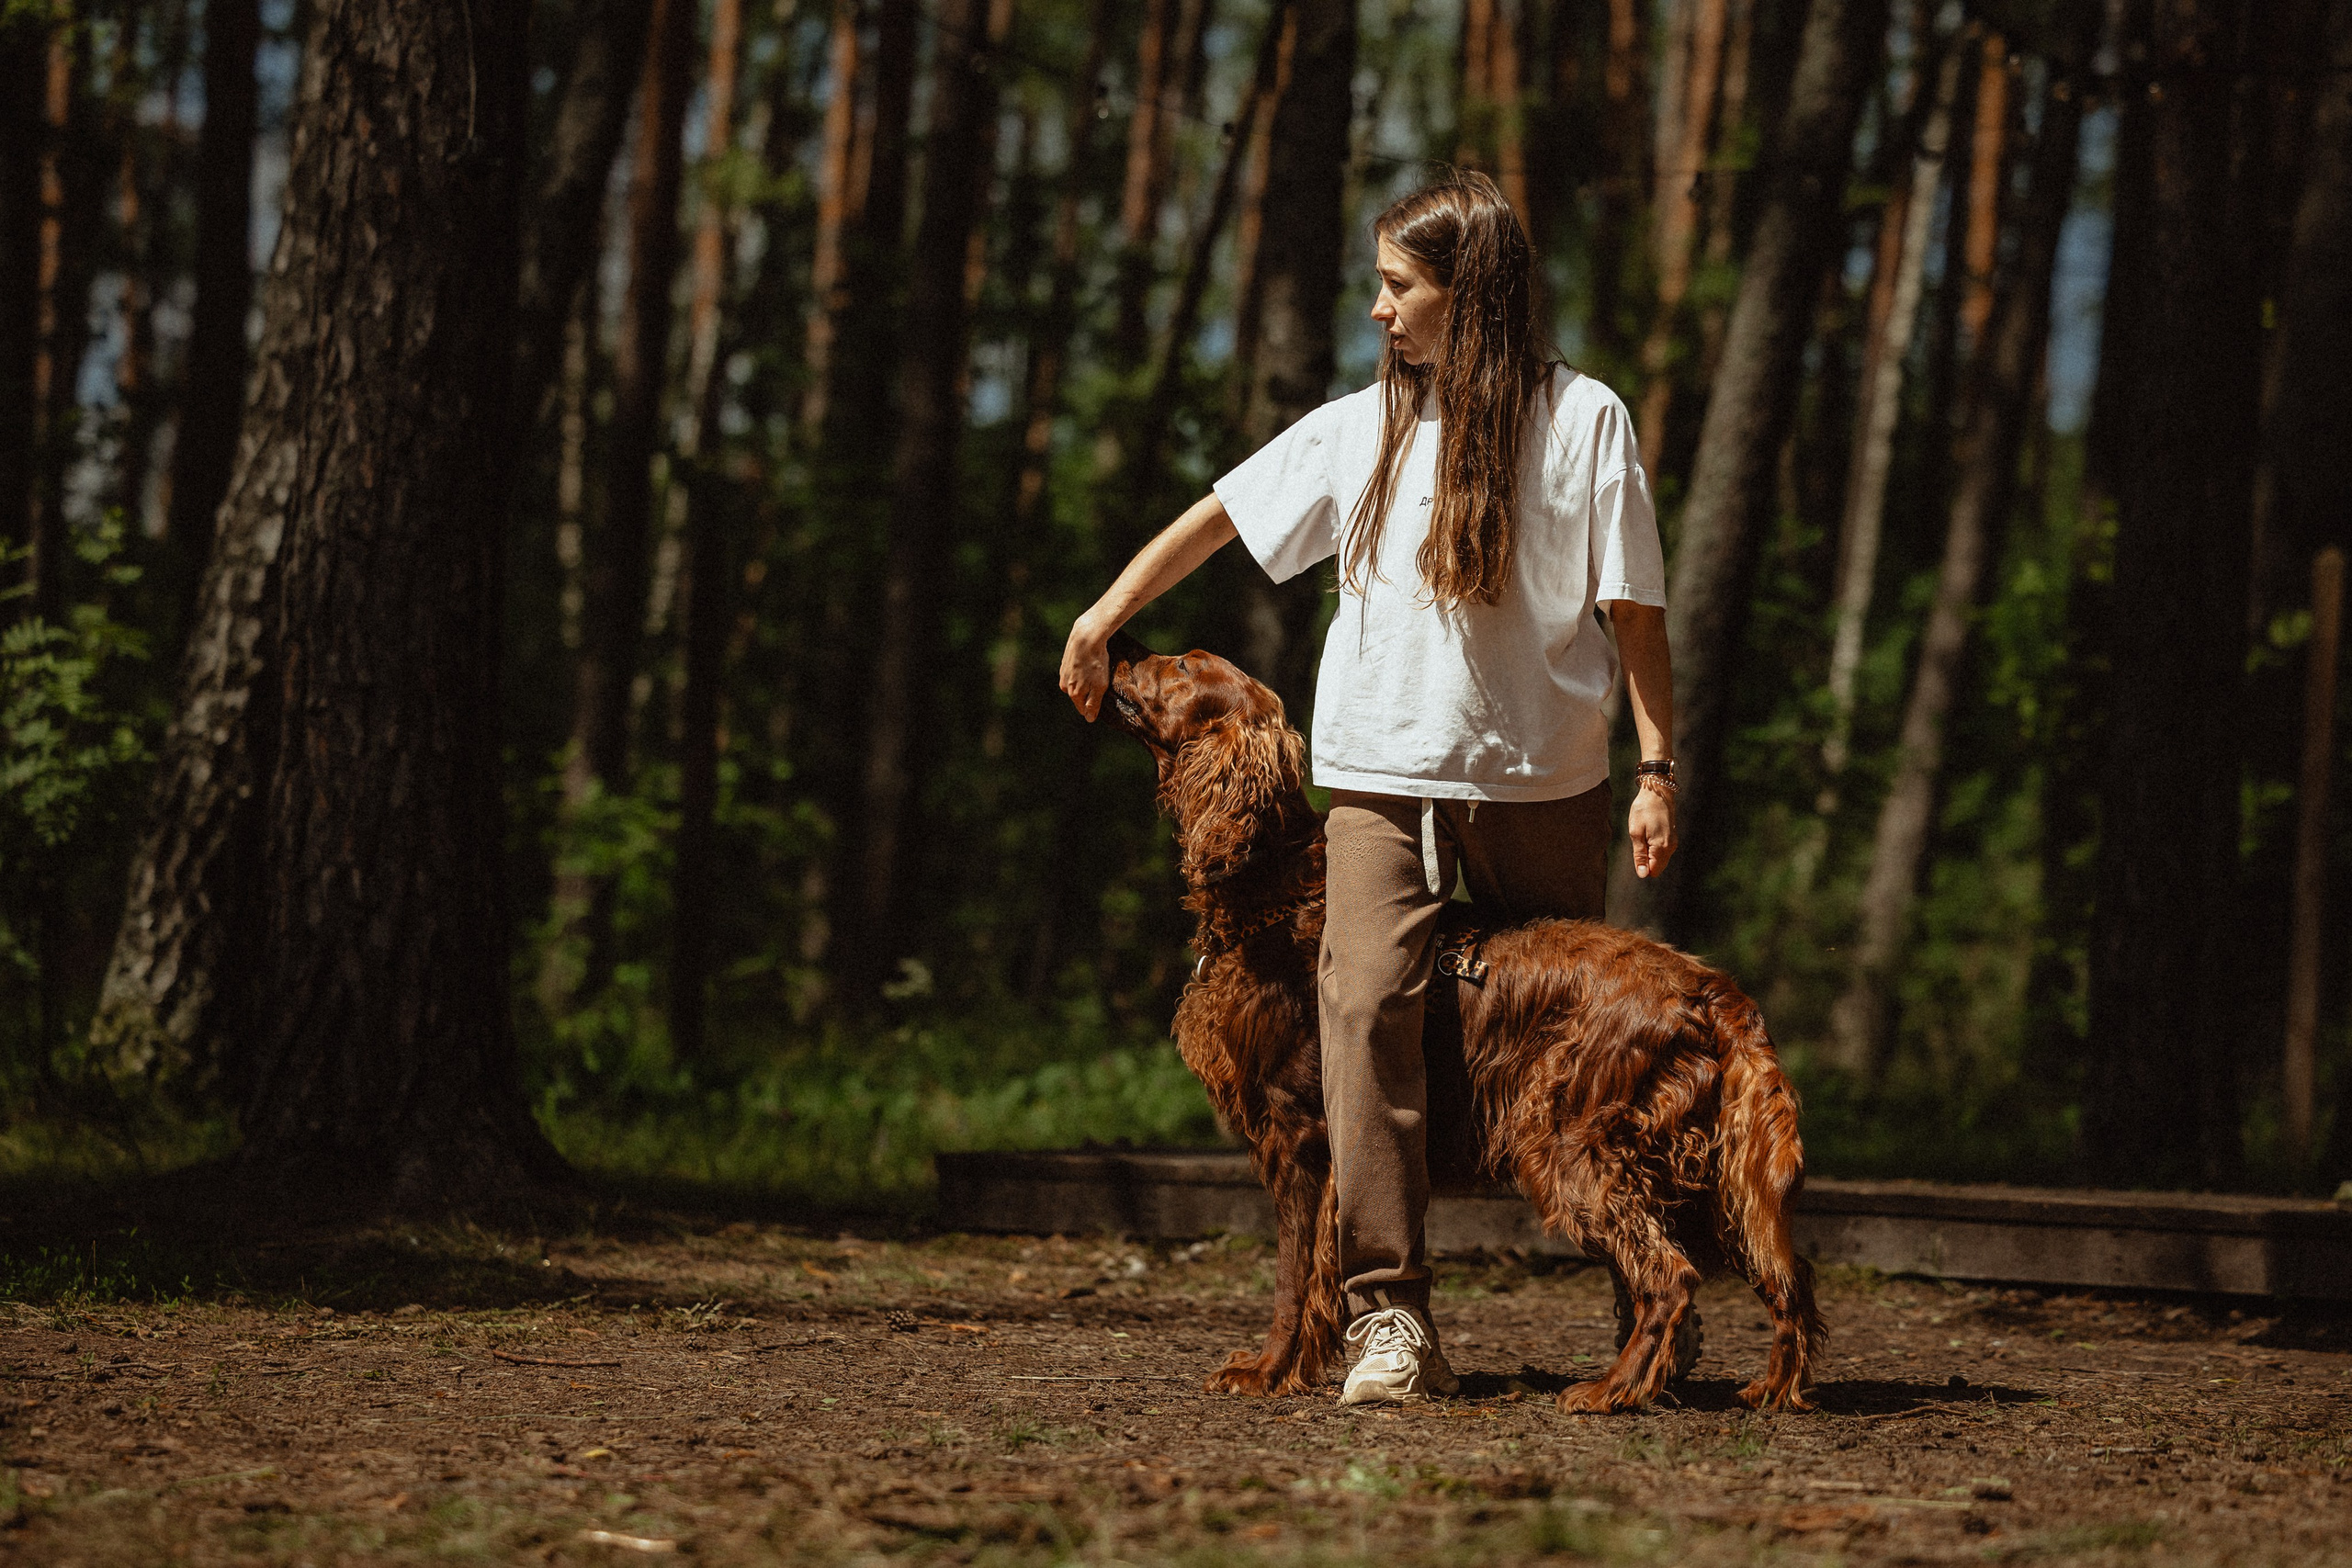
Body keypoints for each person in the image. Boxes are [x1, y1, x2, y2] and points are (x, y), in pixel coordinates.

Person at [1058, 172, 1677, 1405]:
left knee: (1571, 1034)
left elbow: (1635, 612)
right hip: (1379, 775)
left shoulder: (1585, 420)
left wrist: (1659, 766)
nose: (1378, 309)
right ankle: (1388, 1318)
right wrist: (1108, 612)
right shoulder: (1362, 428)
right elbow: (1221, 516)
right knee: (1361, 1007)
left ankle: (1647, 1297)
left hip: (1540, 776)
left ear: (1472, 291)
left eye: (1399, 286)